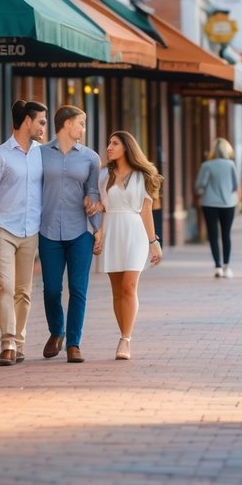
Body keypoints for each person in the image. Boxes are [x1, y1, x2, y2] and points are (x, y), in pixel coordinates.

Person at [0, 99, 48, 366]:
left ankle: (19, 343)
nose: (44, 127)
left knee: (24, 291)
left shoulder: (42, 154)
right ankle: (7, 342)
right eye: (41, 122)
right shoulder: (0, 155)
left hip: (31, 230)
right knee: (4, 286)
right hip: (4, 230)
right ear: (27, 121)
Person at [38, 106, 102, 364]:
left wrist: (98, 229)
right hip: (48, 230)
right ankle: (57, 331)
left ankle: (74, 343)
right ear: (66, 125)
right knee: (51, 289)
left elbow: (94, 194)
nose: (83, 129)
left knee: (78, 288)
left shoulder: (90, 158)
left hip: (80, 232)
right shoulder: (40, 154)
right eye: (81, 124)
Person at [96, 130, 163, 361]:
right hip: (112, 232)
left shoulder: (143, 175)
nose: (109, 147)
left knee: (128, 287)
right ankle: (122, 333)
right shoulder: (104, 175)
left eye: (115, 143)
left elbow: (146, 212)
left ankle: (126, 339)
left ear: (127, 147)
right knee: (116, 292)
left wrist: (153, 243)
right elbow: (101, 209)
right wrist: (99, 233)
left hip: (134, 232)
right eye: (109, 143)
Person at [195, 138, 239, 278]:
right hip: (228, 204)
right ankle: (227, 267)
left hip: (209, 203)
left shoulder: (206, 165)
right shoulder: (231, 165)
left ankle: (218, 266)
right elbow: (235, 186)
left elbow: (199, 185)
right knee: (226, 234)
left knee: (213, 236)